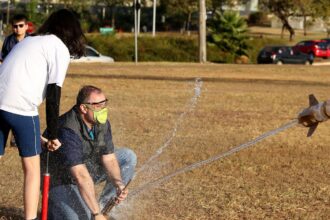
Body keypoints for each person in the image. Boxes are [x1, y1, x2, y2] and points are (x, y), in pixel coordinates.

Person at [0, 9, 85, 220]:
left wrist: (41, 136)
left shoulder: (30, 40)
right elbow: (54, 94)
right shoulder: (59, 48)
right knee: (32, 170)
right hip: (22, 109)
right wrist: (54, 135)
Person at [40, 85, 137, 220]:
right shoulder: (67, 130)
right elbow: (80, 175)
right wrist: (95, 214)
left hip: (85, 168)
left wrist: (118, 183)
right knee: (81, 217)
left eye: (104, 104)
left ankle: (103, 207)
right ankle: (58, 208)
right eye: (98, 106)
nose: (103, 110)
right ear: (84, 108)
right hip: (61, 180)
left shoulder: (100, 121)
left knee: (127, 156)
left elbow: (109, 158)